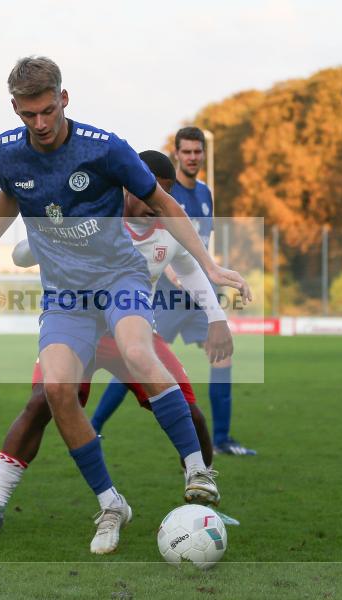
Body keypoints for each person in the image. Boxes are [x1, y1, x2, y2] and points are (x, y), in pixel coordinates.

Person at [0, 57, 249, 554]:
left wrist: (212, 268)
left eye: (47, 111)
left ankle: (198, 471)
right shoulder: (6, 151)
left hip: (118, 279)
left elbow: (169, 206)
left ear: (64, 98)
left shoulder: (106, 148)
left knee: (136, 350)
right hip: (66, 296)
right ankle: (111, 503)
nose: (40, 124)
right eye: (28, 115)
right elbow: (9, 193)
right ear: (15, 109)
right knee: (56, 392)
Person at [91, 127, 255, 457]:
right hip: (165, 296)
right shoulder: (157, 191)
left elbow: (196, 249)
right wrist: (172, 272)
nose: (193, 157)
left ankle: (221, 439)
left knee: (222, 357)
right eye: (187, 151)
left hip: (197, 290)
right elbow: (160, 248)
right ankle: (94, 426)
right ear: (177, 154)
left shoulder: (206, 193)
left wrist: (210, 286)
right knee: (137, 360)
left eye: (198, 151)